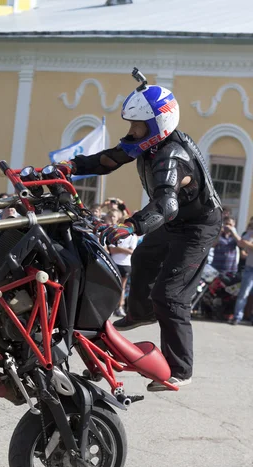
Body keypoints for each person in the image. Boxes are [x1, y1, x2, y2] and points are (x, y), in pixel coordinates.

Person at [57, 69, 222, 391]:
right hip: (176, 221)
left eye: (137, 125)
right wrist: (73, 166)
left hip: (198, 226)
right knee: (145, 257)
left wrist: (130, 226)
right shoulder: (147, 143)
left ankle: (181, 369)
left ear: (159, 124)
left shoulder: (171, 157)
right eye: (131, 124)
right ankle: (141, 313)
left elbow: (166, 206)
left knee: (170, 296)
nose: (132, 131)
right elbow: (110, 159)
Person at [225, 216, 253, 325]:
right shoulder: (250, 232)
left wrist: (247, 244)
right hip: (249, 268)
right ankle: (237, 317)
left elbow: (244, 243)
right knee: (243, 294)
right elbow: (241, 243)